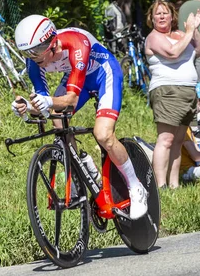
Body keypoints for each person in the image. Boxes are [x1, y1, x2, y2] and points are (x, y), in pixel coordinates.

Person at [11, 15, 147, 219]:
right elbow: (45, 105)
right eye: (26, 52)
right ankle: (81, 169)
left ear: (52, 43)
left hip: (103, 73)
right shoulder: (33, 63)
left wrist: (47, 102)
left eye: (36, 51)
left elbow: (71, 100)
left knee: (103, 135)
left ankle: (136, 187)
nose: (32, 57)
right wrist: (27, 106)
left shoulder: (75, 42)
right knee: (58, 119)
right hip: (79, 77)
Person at [144, 0, 200, 188]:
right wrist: (188, 32)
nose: (161, 16)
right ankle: (160, 186)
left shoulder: (182, 33)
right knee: (166, 139)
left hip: (188, 93)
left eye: (165, 13)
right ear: (152, 19)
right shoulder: (153, 37)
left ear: (172, 16)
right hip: (167, 91)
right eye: (157, 13)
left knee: (178, 141)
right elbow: (173, 53)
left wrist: (194, 29)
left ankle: (174, 184)